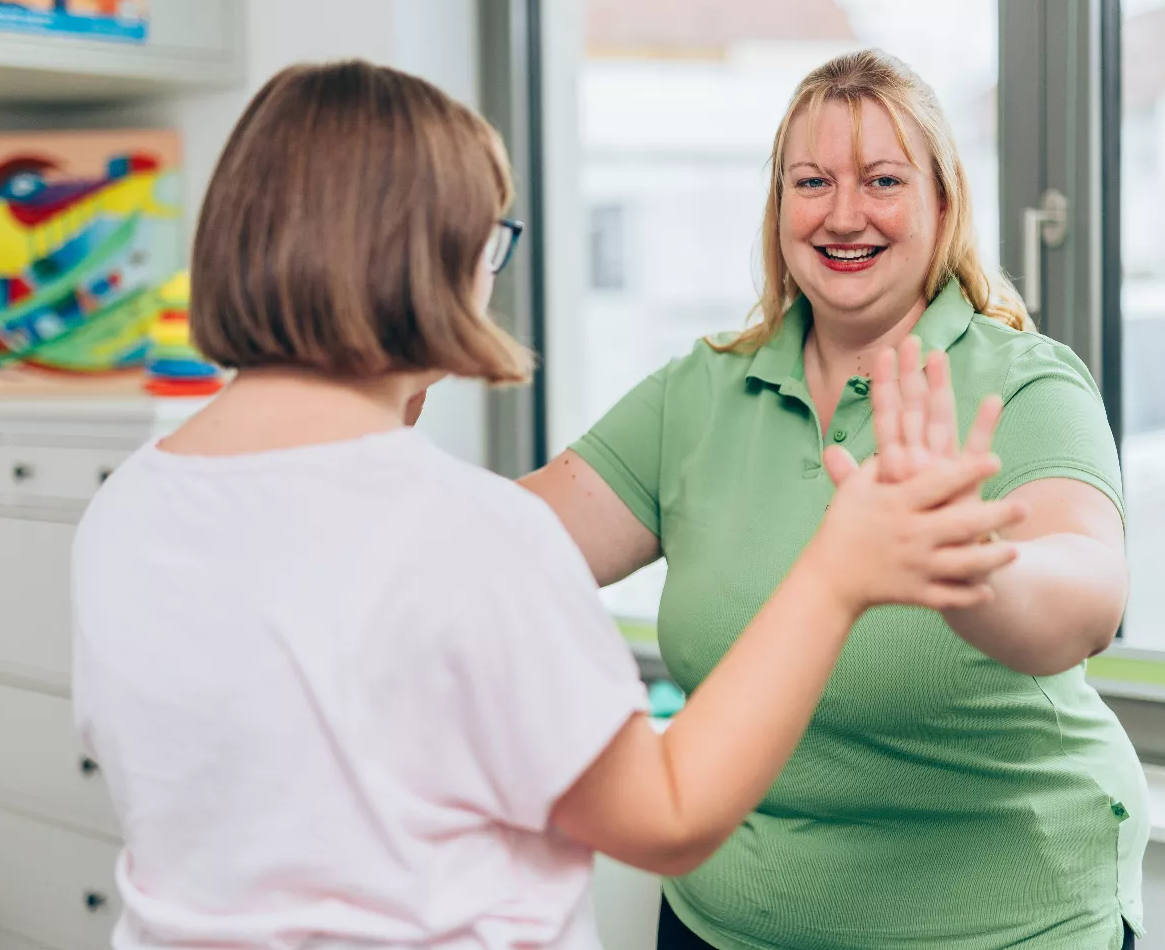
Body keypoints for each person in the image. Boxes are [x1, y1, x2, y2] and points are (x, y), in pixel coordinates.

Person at [70, 60, 1021, 950]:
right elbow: (669, 815)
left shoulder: (130, 506)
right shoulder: (470, 536)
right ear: (426, 263)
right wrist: (836, 574)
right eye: (489, 243)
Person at [522, 49, 1147, 950]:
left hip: (1008, 929)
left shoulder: (1026, 384)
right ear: (779, 207)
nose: (843, 214)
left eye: (882, 180)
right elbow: (509, 545)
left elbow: (1087, 596)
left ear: (943, 202)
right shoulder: (700, 390)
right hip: (720, 925)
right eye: (810, 181)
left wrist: (969, 568)